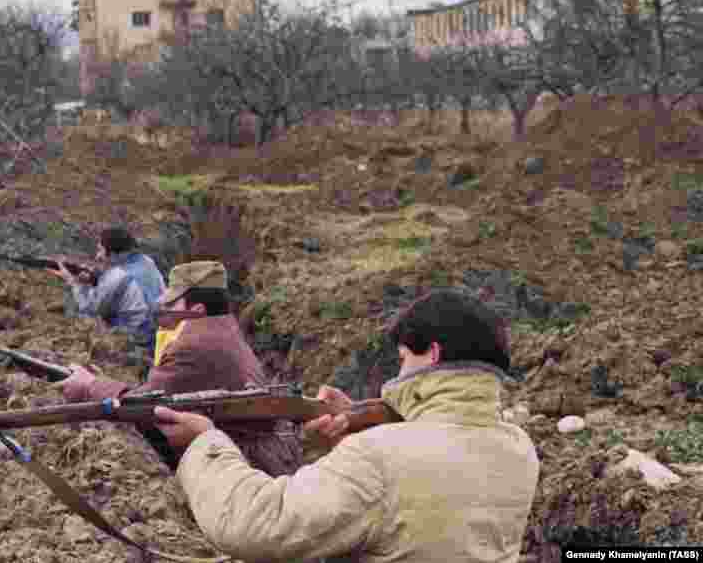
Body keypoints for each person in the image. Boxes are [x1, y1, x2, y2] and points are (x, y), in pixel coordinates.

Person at [153, 289, 541, 563]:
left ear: (433, 354)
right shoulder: (518, 448)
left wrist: (205, 443)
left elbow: (257, 525)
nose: (399, 371)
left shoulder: (381, 457)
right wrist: (360, 426)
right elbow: (419, 503)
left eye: (404, 359)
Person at [56, 260, 302, 477]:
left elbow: (146, 407)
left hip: (246, 470)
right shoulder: (222, 328)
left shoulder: (195, 345)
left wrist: (90, 385)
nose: (163, 313)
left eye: (170, 305)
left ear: (196, 311)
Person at [49, 226, 165, 343]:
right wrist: (95, 277)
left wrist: (73, 282)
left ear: (114, 253)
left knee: (79, 313)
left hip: (138, 335)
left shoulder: (116, 275)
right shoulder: (146, 261)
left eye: (100, 250)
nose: (97, 256)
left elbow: (89, 308)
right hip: (159, 327)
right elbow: (126, 281)